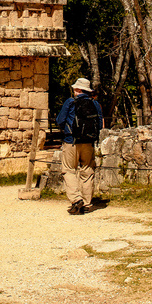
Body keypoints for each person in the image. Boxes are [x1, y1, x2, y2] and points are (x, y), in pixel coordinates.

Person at [52, 78, 106, 215]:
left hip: (71, 141)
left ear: (78, 90)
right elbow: (100, 124)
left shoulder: (70, 102)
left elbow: (60, 120)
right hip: (88, 142)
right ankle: (87, 203)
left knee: (69, 170)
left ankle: (76, 199)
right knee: (87, 170)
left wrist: (67, 130)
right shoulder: (95, 104)